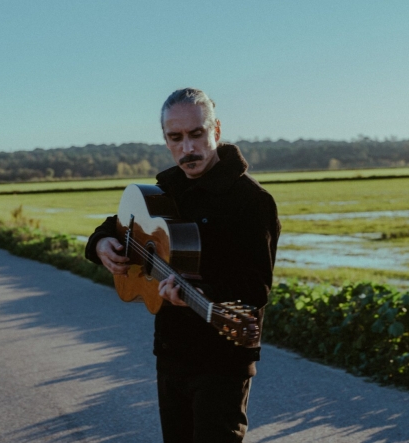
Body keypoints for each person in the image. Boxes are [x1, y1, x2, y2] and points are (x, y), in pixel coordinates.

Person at [85, 87, 280, 442]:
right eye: (176, 138)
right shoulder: (165, 191)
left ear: (216, 132)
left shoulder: (251, 201)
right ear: (166, 140)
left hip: (222, 355)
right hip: (172, 352)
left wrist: (197, 294)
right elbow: (117, 224)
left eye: (196, 134)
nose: (187, 148)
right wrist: (101, 244)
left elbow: (256, 288)